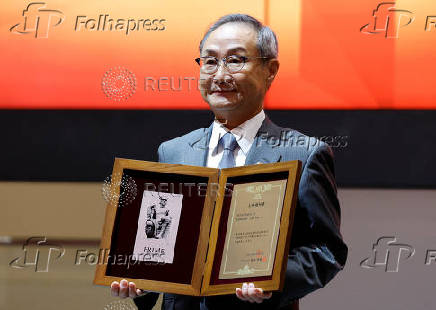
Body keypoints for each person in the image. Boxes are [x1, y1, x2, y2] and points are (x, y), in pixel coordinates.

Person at [111, 13, 348, 310]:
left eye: (235, 61)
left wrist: (272, 281)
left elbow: (327, 251)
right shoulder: (174, 152)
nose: (220, 75)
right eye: (209, 62)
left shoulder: (303, 153)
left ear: (269, 70)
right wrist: (141, 283)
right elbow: (160, 245)